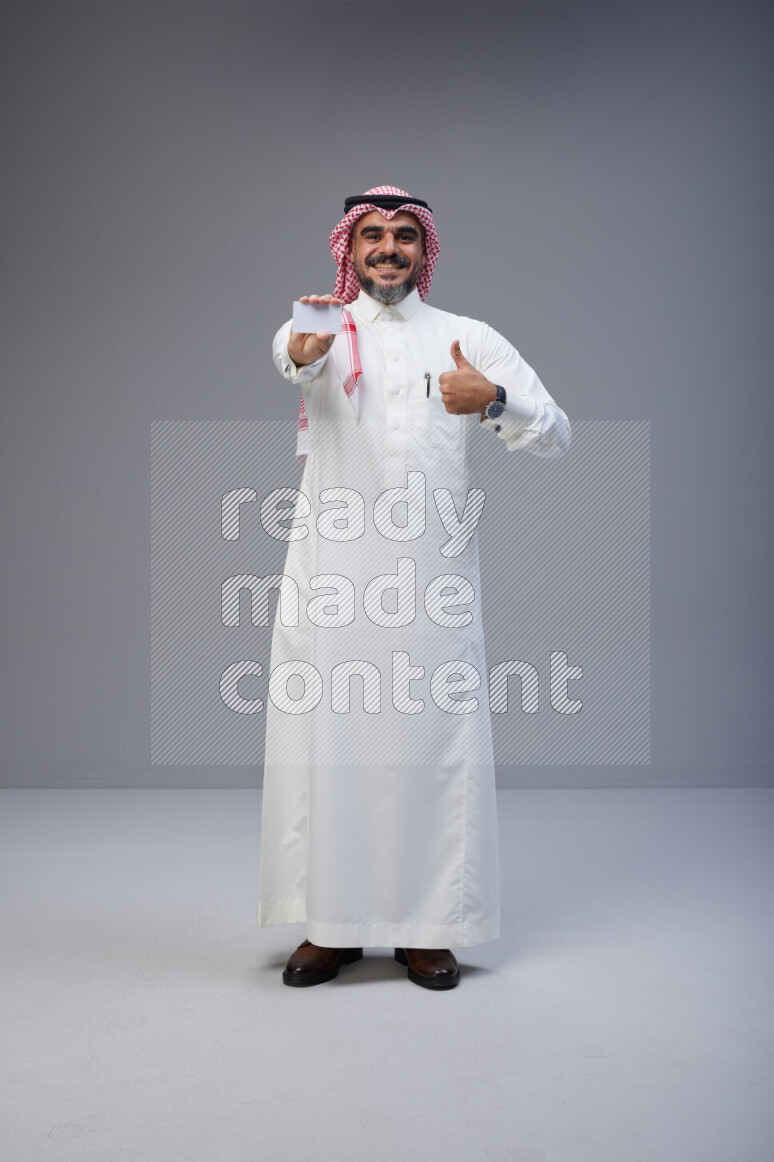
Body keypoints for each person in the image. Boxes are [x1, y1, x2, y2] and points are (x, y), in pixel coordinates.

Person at [258, 185, 571, 990]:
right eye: (372, 236)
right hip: (335, 577)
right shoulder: (324, 320)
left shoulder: (468, 338)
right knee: (332, 745)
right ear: (349, 248)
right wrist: (305, 348)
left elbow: (556, 433)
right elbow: (292, 359)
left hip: (433, 578)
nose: (388, 248)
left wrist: (491, 400)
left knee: (431, 749)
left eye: (404, 236)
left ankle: (428, 930)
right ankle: (331, 927)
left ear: (424, 252)